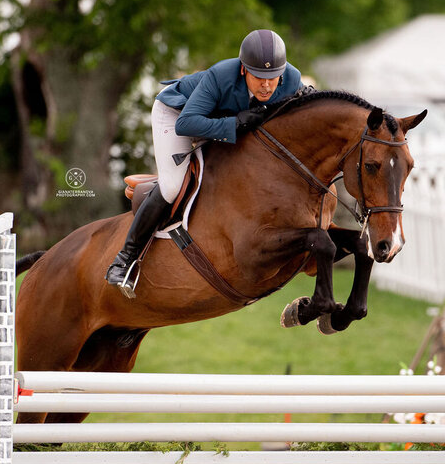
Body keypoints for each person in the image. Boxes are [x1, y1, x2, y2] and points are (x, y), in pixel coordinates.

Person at [104, 29, 303, 293]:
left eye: (273, 77)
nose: (267, 85)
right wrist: (234, 123)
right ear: (243, 70)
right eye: (258, 77)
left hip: (216, 121)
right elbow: (187, 123)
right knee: (173, 185)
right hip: (177, 116)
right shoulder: (220, 76)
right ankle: (124, 261)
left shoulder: (291, 80)